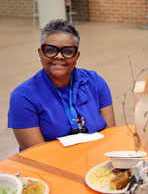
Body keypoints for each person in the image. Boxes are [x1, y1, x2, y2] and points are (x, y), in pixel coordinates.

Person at [8, 19, 115, 150]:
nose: (59, 56)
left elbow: (111, 138)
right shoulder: (23, 97)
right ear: (40, 53)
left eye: (68, 51)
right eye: (51, 50)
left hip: (96, 164)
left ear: (77, 56)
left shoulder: (96, 83)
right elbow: (38, 156)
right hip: (49, 168)